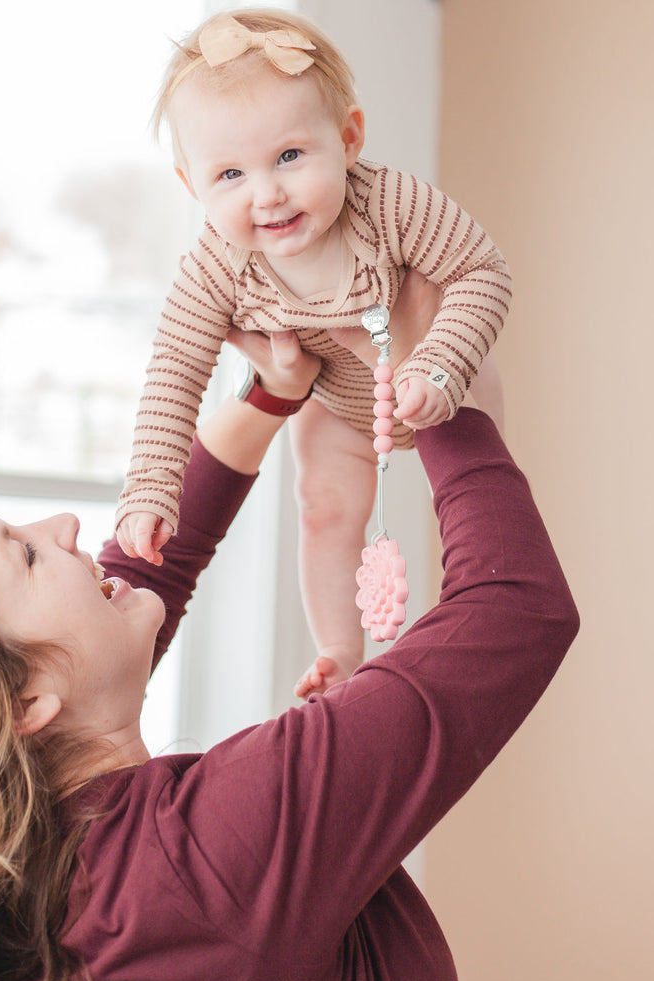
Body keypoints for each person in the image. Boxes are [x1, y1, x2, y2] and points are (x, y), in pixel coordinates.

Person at [0, 280, 578, 981]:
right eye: (24, 554)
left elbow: (135, 579)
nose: (63, 529)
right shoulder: (211, 852)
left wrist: (271, 392)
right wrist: (435, 385)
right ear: (27, 702)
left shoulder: (35, 887)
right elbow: (513, 609)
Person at [115, 7, 513, 697]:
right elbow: (173, 377)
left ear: (348, 137)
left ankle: (475, 618)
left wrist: (439, 364)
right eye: (230, 175)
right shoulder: (216, 265)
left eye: (290, 157)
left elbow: (482, 271)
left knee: (465, 514)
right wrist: (149, 490)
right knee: (323, 507)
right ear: (192, 186)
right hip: (335, 404)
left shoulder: (389, 205)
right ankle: (339, 652)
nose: (266, 193)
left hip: (441, 378)